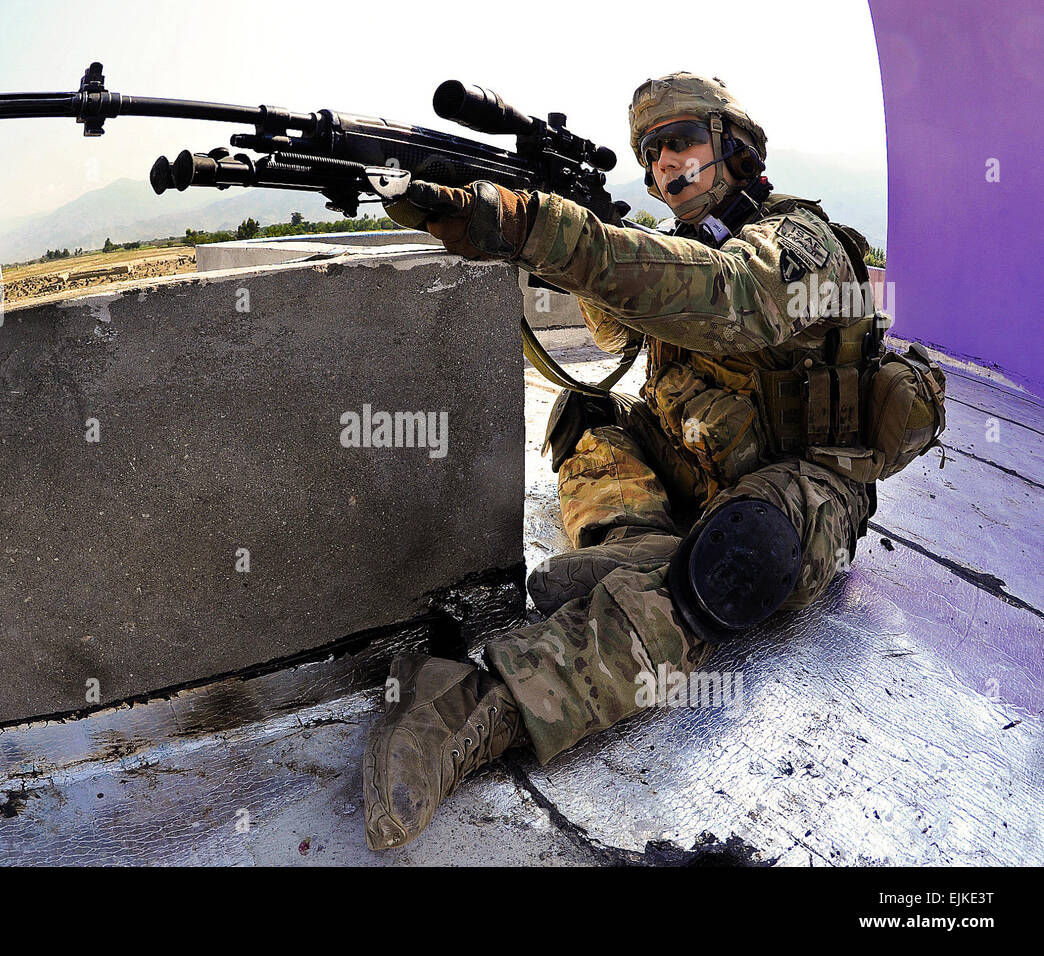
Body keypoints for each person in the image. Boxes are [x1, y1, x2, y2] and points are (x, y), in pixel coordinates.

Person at [363, 72, 883, 851]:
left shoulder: (800, 241)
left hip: (798, 491)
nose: (667, 163)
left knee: (734, 565)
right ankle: (634, 546)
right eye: (652, 152)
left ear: (734, 146)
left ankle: (476, 706)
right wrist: (544, 245)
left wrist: (542, 228)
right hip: (697, 465)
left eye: (683, 141)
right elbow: (617, 339)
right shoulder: (687, 245)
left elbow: (735, 297)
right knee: (587, 416)